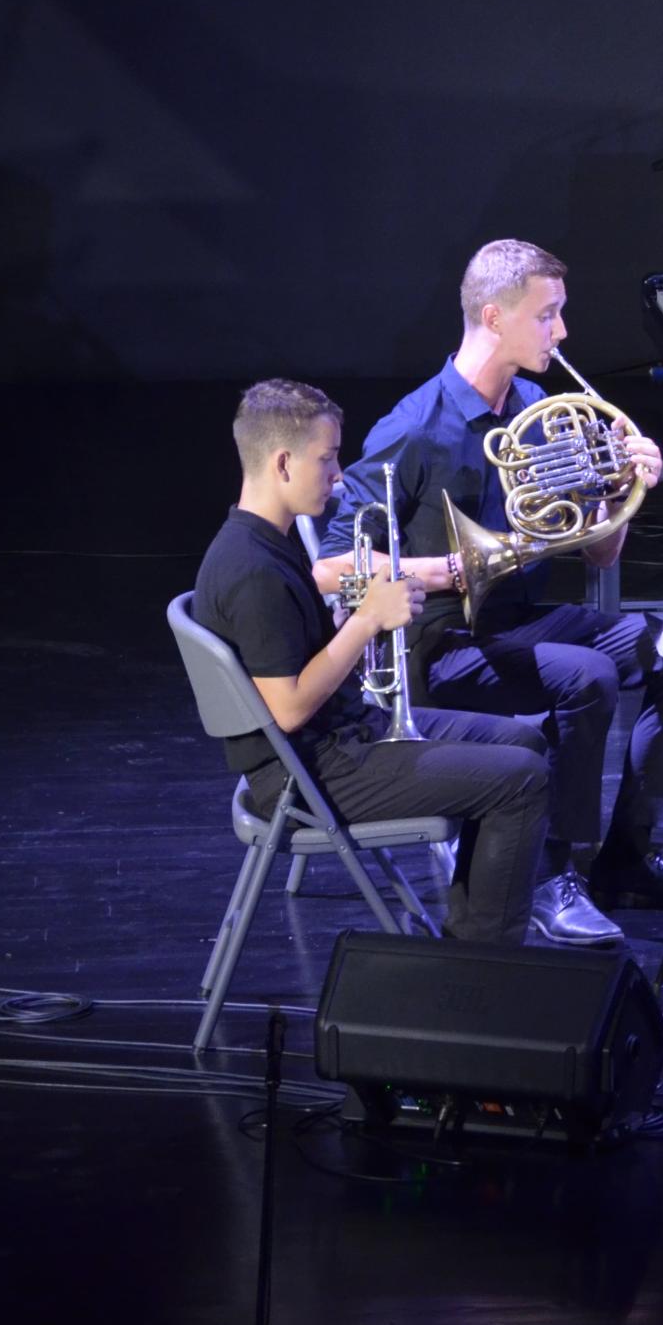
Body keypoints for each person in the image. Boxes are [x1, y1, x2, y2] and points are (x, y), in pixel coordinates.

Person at [314, 240, 663, 946]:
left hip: (517, 620)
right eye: (547, 315)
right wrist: (445, 571)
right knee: (586, 677)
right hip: (438, 643)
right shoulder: (414, 427)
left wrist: (623, 488)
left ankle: (627, 856)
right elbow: (332, 565)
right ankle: (551, 876)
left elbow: (599, 550)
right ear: (494, 317)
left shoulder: (538, 407)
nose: (562, 332)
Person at [191, 379, 551, 945]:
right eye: (327, 459)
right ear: (282, 463)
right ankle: (483, 961)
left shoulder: (267, 543)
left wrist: (353, 620)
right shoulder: (253, 571)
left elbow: (302, 660)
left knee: (524, 743)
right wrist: (365, 621)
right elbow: (287, 709)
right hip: (311, 775)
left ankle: (472, 935)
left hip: (344, 736)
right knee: (522, 781)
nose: (338, 476)